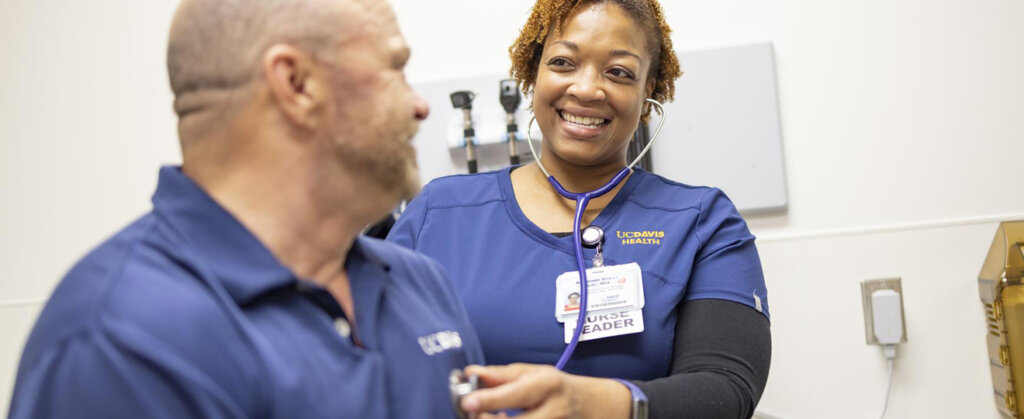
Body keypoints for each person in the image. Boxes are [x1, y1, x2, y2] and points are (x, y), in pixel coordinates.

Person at [8, 0, 484, 417]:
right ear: (296, 83)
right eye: (394, 68)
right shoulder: (120, 341)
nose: (420, 106)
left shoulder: (420, 283)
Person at [387, 0, 771, 417]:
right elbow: (368, 357)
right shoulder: (439, 212)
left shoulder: (702, 222)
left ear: (648, 92)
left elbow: (725, 390)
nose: (587, 89)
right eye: (563, 63)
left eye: (619, 72)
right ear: (533, 75)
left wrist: (589, 404)